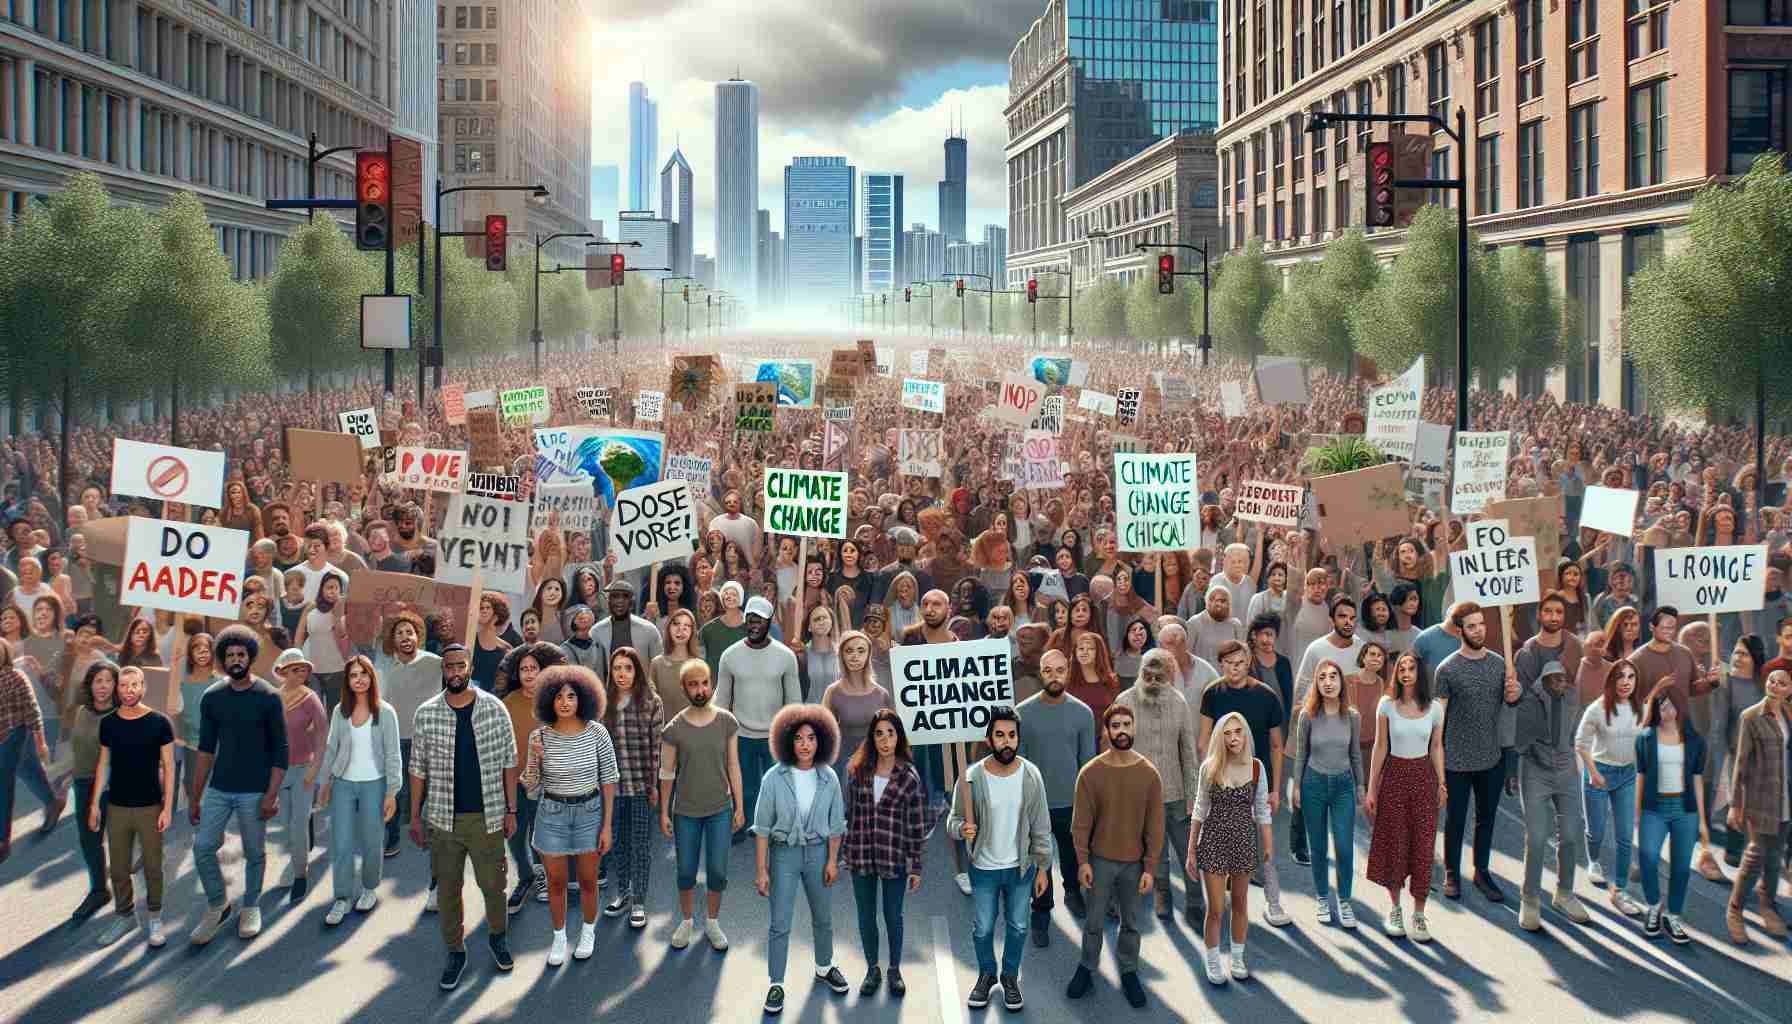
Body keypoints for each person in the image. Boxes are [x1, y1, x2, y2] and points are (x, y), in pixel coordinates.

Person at [408, 643, 519, 990]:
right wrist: (414, 815)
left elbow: (509, 761)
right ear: (444, 670)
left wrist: (511, 809)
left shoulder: (495, 709)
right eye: (450, 667)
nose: (455, 672)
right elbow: (417, 769)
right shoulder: (426, 714)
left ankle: (497, 937)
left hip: (487, 816)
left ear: (470, 667)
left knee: (494, 886)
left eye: (461, 666)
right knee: (448, 892)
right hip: (443, 819)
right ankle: (455, 952)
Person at [188, 625, 288, 945]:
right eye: (229, 654)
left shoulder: (269, 697)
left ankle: (251, 906)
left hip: (254, 790)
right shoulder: (212, 697)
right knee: (203, 848)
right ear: (223, 659)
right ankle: (219, 905)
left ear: (251, 657)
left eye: (241, 654)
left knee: (255, 853)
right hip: (219, 789)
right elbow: (205, 750)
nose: (235, 659)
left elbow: (280, 751)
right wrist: (195, 796)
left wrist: (271, 794)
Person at [951, 705, 1053, 1013]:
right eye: (999, 735)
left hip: (1020, 867)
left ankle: (1009, 977)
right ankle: (986, 974)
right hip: (982, 867)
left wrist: (1043, 867)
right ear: (988, 738)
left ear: (1018, 738)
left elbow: (1041, 825)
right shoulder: (970, 778)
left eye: (1011, 735)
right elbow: (953, 820)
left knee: (1018, 927)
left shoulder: (1031, 775)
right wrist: (961, 828)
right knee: (983, 928)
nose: (1006, 741)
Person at [752, 703, 849, 1015]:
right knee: (780, 922)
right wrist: (762, 869)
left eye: (811, 738)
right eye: (799, 738)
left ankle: (824, 966)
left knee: (823, 917)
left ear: (821, 740)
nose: (806, 744)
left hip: (820, 853)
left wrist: (833, 861)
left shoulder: (829, 777)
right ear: (787, 741)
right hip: (784, 855)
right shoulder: (773, 778)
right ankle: (776, 983)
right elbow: (763, 828)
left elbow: (837, 825)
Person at [520, 663, 618, 967]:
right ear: (548, 699)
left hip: (590, 812)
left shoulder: (597, 733)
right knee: (556, 882)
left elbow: (609, 779)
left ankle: (588, 932)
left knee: (589, 880)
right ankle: (560, 937)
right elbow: (531, 787)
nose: (565, 702)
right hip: (551, 813)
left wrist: (607, 826)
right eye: (559, 696)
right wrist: (535, 757)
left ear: (583, 699)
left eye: (571, 696)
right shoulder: (539, 736)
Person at [1066, 703, 1163, 1009]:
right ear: (1106, 732)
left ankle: (1129, 970)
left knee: (1131, 923)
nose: (1122, 731)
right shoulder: (1091, 773)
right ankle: (1086, 966)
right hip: (1100, 862)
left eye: (1126, 725)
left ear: (1134, 728)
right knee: (1093, 921)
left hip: (1134, 865)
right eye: (1115, 726)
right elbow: (1080, 823)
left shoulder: (1149, 774)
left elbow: (1155, 826)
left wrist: (1150, 868)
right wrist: (1083, 862)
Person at [1197, 640, 1289, 926]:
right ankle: (1224, 893)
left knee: (1265, 845)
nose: (1234, 668)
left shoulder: (1266, 695)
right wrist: (1207, 782)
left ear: (1249, 662)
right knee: (1223, 837)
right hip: (1222, 781)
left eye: (1239, 663)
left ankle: (1273, 904)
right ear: (1220, 664)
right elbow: (1204, 741)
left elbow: (1276, 746)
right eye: (1228, 663)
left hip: (1256, 778)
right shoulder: (1212, 693)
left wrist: (1274, 788)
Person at [1434, 603, 1521, 904]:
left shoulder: (1501, 664)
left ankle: (1482, 873)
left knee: (1486, 819)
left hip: (1491, 758)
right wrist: (1437, 765)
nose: (1479, 630)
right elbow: (1438, 722)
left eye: (1481, 624)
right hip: (1456, 760)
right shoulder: (1446, 669)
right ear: (1460, 631)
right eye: (1471, 626)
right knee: (1455, 819)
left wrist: (1515, 695)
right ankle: (1451, 873)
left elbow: (1511, 706)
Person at [659, 658, 745, 953]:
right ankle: (685, 921)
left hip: (720, 808)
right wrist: (664, 812)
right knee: (685, 871)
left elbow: (734, 764)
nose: (700, 689)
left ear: (711, 684)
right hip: (686, 811)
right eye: (693, 684)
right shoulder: (674, 728)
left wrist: (739, 806)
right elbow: (667, 771)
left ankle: (711, 921)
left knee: (718, 872)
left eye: (704, 682)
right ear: (684, 688)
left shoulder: (726, 721)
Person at [308, 654, 401, 926]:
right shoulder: (340, 711)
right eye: (353, 675)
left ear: (372, 678)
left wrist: (392, 792)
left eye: (363, 674)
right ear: (347, 681)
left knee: (373, 840)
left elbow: (394, 755)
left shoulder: (385, 712)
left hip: (375, 783)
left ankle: (369, 888)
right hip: (344, 785)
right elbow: (331, 748)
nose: (359, 679)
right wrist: (325, 783)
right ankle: (342, 898)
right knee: (342, 843)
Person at [1113, 648, 1203, 924]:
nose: (1152, 682)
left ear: (1170, 677)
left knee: (1190, 850)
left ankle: (1195, 899)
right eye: (1147, 675)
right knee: (1156, 852)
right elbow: (1117, 753)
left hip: (1176, 794)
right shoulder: (1124, 701)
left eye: (1158, 677)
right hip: (1142, 797)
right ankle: (1163, 894)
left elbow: (1189, 753)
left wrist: (1193, 796)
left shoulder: (1179, 703)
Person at [839, 708, 925, 997]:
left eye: (890, 732)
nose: (885, 739)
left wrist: (916, 866)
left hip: (894, 856)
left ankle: (894, 970)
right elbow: (848, 814)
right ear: (872, 737)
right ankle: (872, 968)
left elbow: (916, 825)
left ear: (898, 736)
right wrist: (845, 851)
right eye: (879, 733)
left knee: (892, 915)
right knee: (866, 915)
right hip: (861, 853)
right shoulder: (858, 770)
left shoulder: (909, 776)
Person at [89, 665, 175, 947]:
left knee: (152, 867)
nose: (129, 691)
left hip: (150, 806)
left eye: (134, 685)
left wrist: (167, 807)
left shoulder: (160, 722)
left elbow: (169, 766)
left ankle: (155, 919)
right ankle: (125, 916)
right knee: (118, 869)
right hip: (117, 807)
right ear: (118, 689)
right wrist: (94, 805)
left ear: (143, 687)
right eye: (123, 686)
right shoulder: (109, 723)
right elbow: (103, 764)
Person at [1017, 647, 1096, 945]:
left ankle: (1074, 894)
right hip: (1036, 804)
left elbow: (1087, 764)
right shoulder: (1022, 713)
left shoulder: (1082, 713)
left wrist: (1089, 806)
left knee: (1072, 853)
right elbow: (1019, 765)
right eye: (1047, 671)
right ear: (1040, 672)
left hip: (1072, 802)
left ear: (1068, 671)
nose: (1053, 676)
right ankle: (1041, 913)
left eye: (1059, 670)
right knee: (1040, 861)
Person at [1365, 651, 1445, 941]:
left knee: (1423, 845)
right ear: (1396, 674)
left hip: (1424, 778)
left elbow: (1436, 747)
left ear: (1419, 673)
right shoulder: (1386, 706)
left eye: (1411, 668)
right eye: (1401, 669)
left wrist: (1442, 783)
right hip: (1394, 777)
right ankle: (1395, 909)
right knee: (1395, 843)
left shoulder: (1435, 708)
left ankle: (1420, 914)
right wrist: (1372, 787)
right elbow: (1380, 746)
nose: (1406, 673)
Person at [1189, 711, 1273, 985]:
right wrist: (1192, 850)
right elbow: (1200, 810)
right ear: (1219, 738)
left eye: (1238, 731)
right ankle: (1213, 960)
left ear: (1245, 733)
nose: (1233, 738)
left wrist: (1269, 849)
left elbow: (1262, 811)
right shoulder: (1209, 767)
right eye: (1227, 733)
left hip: (1244, 841)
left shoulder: (1257, 768)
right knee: (1216, 909)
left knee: (1240, 904)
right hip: (1213, 841)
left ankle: (1237, 957)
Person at [1510, 654, 1591, 931]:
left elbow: (1576, 731)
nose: (1561, 683)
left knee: (1570, 833)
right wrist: (1512, 772)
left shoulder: (1571, 699)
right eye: (1555, 679)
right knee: (1536, 837)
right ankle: (1529, 898)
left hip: (1566, 768)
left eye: (1564, 679)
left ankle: (1564, 893)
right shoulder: (1529, 702)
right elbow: (1517, 736)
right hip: (1535, 769)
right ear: (1543, 682)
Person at [716, 595, 801, 842]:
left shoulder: (785, 656)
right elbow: (721, 700)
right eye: (750, 620)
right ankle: (743, 824)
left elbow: (794, 702)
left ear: (769, 622)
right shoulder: (730, 656)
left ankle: (776, 827)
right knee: (746, 786)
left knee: (777, 785)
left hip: (775, 734)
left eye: (759, 621)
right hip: (741, 733)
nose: (754, 625)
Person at [1633, 679, 1709, 944]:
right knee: (1648, 858)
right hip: (1653, 808)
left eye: (1672, 705)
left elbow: (1697, 779)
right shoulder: (1645, 738)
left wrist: (1703, 821)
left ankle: (1674, 915)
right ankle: (1654, 906)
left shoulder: (1695, 741)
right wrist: (1636, 813)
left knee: (1681, 867)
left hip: (1684, 809)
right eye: (1662, 706)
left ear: (1681, 708)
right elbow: (1640, 776)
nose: (1667, 711)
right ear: (1655, 708)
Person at [1291, 659, 1364, 928]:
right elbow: (1301, 754)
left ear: (1341, 682)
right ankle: (1323, 897)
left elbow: (1355, 754)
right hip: (1314, 784)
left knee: (1345, 848)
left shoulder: (1352, 716)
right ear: (1317, 684)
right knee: (1318, 847)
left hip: (1344, 784)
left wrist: (1360, 786)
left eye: (1334, 676)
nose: (1329, 682)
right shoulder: (1307, 716)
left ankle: (1344, 900)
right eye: (1323, 678)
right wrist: (1297, 786)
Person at [1574, 658, 1647, 917]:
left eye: (1631, 677)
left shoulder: (1642, 709)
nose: (1626, 682)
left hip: (1627, 774)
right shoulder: (1597, 708)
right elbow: (1581, 742)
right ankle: (1593, 861)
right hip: (1599, 772)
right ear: (1612, 681)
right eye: (1620, 677)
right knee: (1596, 829)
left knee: (1625, 836)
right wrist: (1592, 773)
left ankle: (1621, 889)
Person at [1723, 667, 1789, 944]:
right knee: (1755, 854)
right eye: (1772, 680)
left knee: (1774, 856)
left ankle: (1767, 905)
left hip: (1785, 796)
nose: (1774, 685)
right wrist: (1735, 803)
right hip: (1760, 796)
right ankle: (1735, 910)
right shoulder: (1751, 716)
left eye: (1782, 682)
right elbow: (1741, 762)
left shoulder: (1788, 715)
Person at [498, 641, 564, 911]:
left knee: (540, 833)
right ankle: (525, 874)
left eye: (533, 668)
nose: (528, 673)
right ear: (517, 673)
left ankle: (541, 875)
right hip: (513, 778)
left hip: (543, 779)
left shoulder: (553, 701)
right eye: (523, 668)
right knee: (515, 833)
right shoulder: (507, 703)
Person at [372, 610, 441, 859]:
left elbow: (462, 666)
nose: (405, 637)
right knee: (395, 789)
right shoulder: (386, 669)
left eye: (409, 632)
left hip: (428, 738)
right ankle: (392, 836)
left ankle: (432, 834)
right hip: (397, 738)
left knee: (431, 788)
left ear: (417, 637)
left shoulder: (435, 662)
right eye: (399, 633)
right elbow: (380, 705)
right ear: (394, 640)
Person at [602, 646, 663, 929]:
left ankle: (639, 900)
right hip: (615, 788)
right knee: (620, 843)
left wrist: (653, 786)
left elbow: (656, 749)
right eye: (617, 669)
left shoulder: (651, 702)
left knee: (641, 844)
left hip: (640, 786)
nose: (622, 674)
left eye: (627, 668)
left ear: (637, 671)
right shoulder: (605, 704)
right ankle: (623, 893)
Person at [271, 648, 326, 904]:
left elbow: (322, 737)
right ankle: (298, 860)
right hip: (279, 771)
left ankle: (300, 875)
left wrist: (315, 770)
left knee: (298, 825)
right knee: (286, 823)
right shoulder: (273, 698)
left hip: (305, 769)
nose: (301, 673)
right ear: (282, 672)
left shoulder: (312, 699)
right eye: (295, 669)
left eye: (304, 669)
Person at [66, 661, 118, 924]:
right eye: (98, 680)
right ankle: (99, 890)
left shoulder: (123, 714)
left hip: (114, 785)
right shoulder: (82, 713)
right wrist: (64, 777)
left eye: (108, 680)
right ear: (90, 685)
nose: (103, 686)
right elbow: (77, 748)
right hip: (84, 783)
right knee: (89, 840)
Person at [0, 636, 60, 864]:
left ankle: (2, 840)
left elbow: (32, 709)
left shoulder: (16, 675)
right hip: (2, 735)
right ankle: (52, 801)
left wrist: (40, 740)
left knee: (3, 780)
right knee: (27, 769)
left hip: (16, 731)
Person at [819, 631, 891, 776]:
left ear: (868, 655)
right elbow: (823, 733)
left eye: (861, 650)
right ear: (841, 655)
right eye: (849, 650)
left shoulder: (881, 694)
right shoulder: (832, 692)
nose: (855, 656)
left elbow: (890, 734)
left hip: (875, 762)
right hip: (842, 765)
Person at [595, 578, 664, 675]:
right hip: (608, 689)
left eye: (625, 596)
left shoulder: (649, 629)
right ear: (608, 600)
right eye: (615, 596)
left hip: (642, 689)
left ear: (632, 602)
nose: (620, 601)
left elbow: (659, 668)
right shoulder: (596, 632)